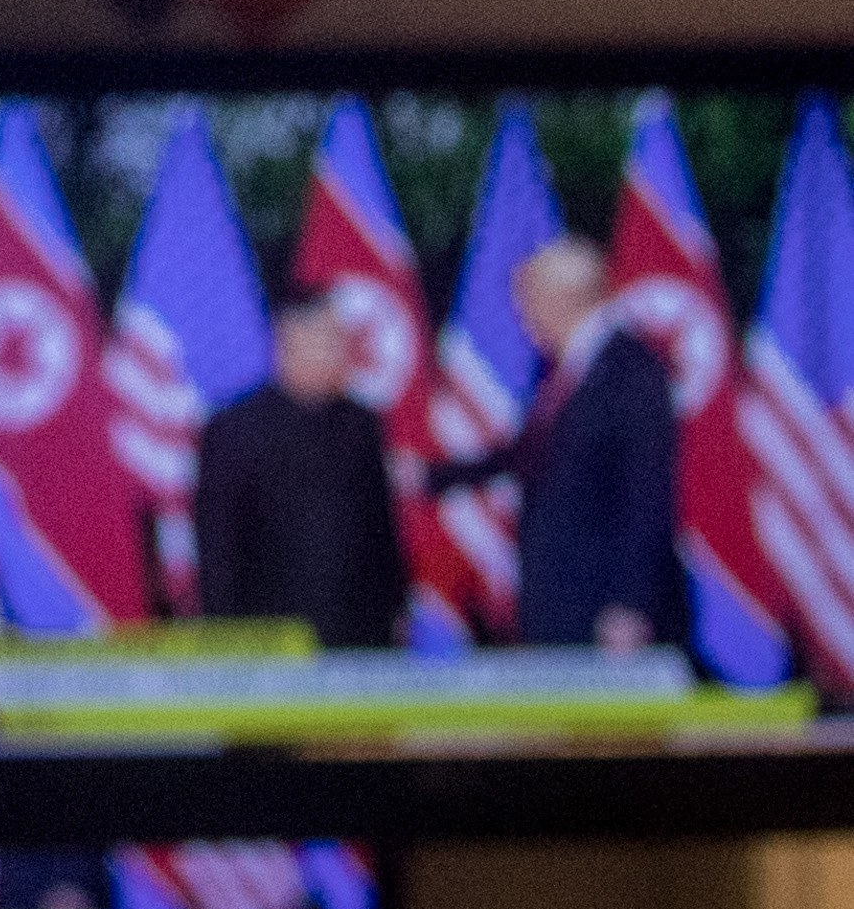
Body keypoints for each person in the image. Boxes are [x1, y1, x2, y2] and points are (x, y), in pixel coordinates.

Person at [431, 237, 682, 654]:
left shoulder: (632, 370)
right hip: (556, 594)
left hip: (604, 605)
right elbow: (528, 455)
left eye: (527, 299)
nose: (522, 315)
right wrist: (432, 476)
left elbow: (646, 497)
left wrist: (629, 604)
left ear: (561, 298)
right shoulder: (563, 370)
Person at [191, 294, 409, 650]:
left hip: (360, 640)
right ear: (291, 341)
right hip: (270, 640)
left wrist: (397, 609)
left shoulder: (362, 426)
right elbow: (219, 549)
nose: (341, 350)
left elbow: (382, 534)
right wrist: (226, 637)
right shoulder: (233, 431)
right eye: (329, 339)